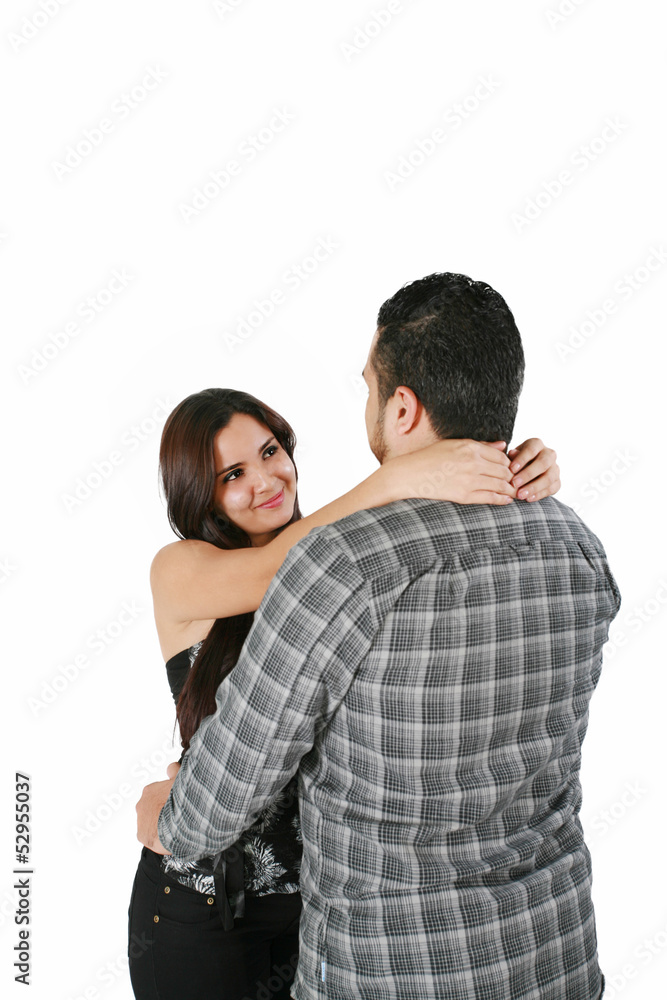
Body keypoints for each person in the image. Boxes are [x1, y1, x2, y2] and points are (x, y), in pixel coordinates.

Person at [135, 271, 575, 999]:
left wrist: (513, 469)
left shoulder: (337, 541)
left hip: (317, 905)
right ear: (196, 493)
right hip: (203, 894)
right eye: (231, 475)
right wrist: (411, 469)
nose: (265, 480)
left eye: (272, 451)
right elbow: (284, 564)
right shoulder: (182, 568)